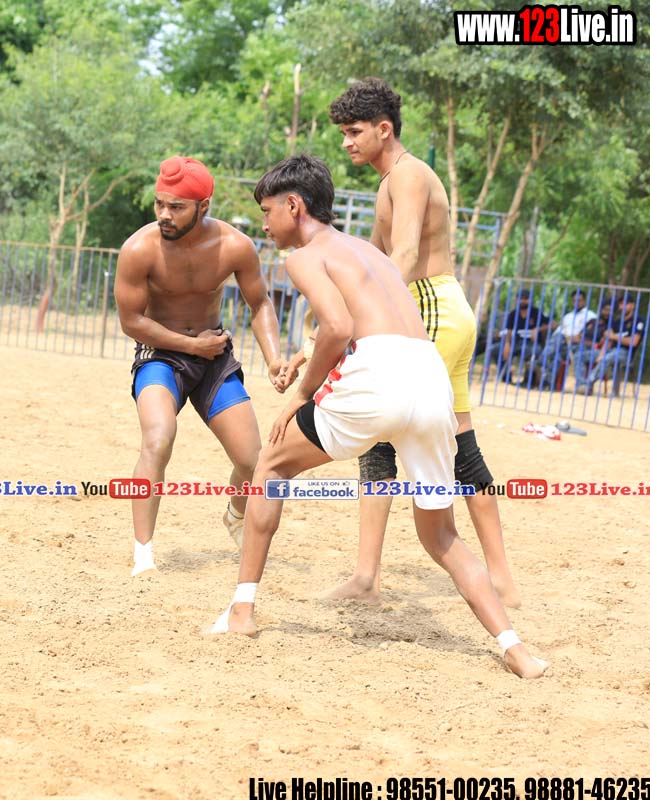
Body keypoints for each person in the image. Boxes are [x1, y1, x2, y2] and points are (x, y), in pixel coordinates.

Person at [213, 155, 547, 680]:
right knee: (441, 537)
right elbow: (361, 322)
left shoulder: (304, 257)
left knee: (270, 466)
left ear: (294, 206)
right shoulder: (370, 253)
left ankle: (242, 613)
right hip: (429, 377)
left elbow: (338, 327)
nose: (264, 223)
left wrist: (301, 394)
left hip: (379, 376)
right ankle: (516, 649)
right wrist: (309, 360)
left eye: (267, 211)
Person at [324, 78, 521, 607]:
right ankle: (502, 580)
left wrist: (367, 311)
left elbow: (405, 254)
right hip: (444, 308)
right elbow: (372, 260)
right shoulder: (394, 179)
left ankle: (366, 578)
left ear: (384, 129)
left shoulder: (408, 175)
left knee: (379, 433)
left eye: (354, 131)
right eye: (343, 133)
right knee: (461, 443)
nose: (346, 142)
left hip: (428, 306)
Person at [115, 156, 285, 576]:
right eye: (159, 204)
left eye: (176, 207)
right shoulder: (139, 249)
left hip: (213, 358)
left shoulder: (234, 246)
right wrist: (191, 344)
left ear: (203, 206)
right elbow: (131, 322)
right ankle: (143, 556)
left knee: (253, 461)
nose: (164, 214)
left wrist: (274, 358)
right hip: (160, 354)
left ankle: (235, 513)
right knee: (158, 438)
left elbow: (260, 304)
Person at [580, 296, 646, 395]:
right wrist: (601, 354)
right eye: (621, 304)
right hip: (611, 351)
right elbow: (609, 341)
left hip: (626, 353)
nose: (623, 307)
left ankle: (588, 383)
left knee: (608, 357)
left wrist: (614, 336)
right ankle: (580, 385)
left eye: (626, 304)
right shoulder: (616, 321)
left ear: (632, 305)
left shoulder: (638, 320)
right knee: (581, 355)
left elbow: (633, 342)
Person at [485, 290, 551, 385]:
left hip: (532, 344)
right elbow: (509, 331)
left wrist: (538, 329)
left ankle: (528, 380)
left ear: (530, 300)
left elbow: (553, 324)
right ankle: (506, 377)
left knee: (532, 352)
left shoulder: (536, 312)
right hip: (515, 342)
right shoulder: (513, 314)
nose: (523, 301)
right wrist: (507, 344)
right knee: (495, 349)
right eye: (521, 298)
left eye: (526, 298)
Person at [538, 290, 596, 390]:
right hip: (564, 346)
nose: (577, 303)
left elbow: (588, 335)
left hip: (581, 346)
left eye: (579, 300)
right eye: (574, 301)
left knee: (559, 343)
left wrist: (571, 338)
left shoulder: (591, 316)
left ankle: (541, 360)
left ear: (584, 301)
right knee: (557, 355)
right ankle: (548, 383)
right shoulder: (567, 317)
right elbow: (558, 333)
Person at [573, 298, 615, 393]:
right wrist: (583, 341)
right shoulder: (592, 321)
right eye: (606, 309)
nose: (608, 313)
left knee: (578, 355)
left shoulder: (611, 325)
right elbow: (578, 336)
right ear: (601, 309)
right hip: (582, 346)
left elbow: (607, 342)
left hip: (598, 351)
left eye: (610, 310)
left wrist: (592, 345)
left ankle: (582, 386)